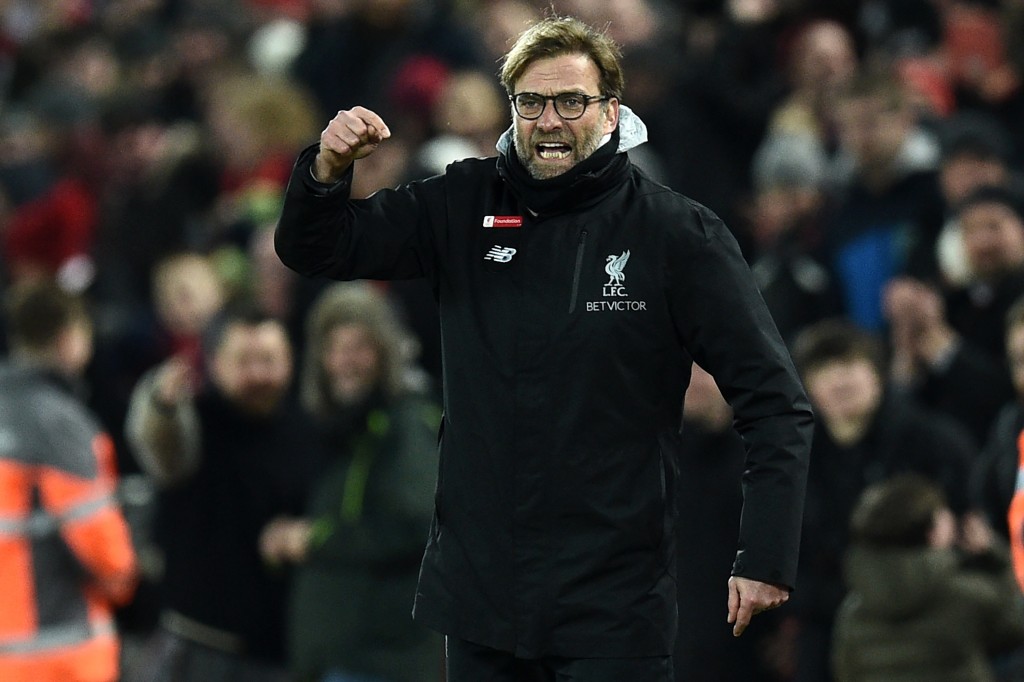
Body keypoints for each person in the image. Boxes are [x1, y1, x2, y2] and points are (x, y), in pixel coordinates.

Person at [275, 15, 813, 681]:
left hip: (612, 607)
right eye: (531, 102)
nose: (549, 120)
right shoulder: (463, 204)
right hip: (479, 603)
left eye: (571, 102)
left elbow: (776, 404)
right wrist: (325, 172)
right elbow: (316, 247)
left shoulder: (677, 233)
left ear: (612, 112)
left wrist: (763, 557)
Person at [122, 304, 323, 682]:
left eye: (270, 359)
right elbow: (160, 442)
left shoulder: (309, 427)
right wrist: (162, 404)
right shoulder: (196, 422)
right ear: (213, 363)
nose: (260, 374)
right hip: (198, 651)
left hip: (284, 652)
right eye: (244, 361)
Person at [260, 281, 442, 682]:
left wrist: (314, 539)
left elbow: (415, 523)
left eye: (361, 347)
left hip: (385, 661)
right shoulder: (340, 431)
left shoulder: (406, 424)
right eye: (335, 348)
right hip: (345, 657)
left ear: (385, 353)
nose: (346, 361)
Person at [789, 318, 977, 681]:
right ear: (807, 385)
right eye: (824, 369)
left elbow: (967, 530)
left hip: (924, 628)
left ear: (877, 372)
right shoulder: (793, 459)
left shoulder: (933, 443)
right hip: (825, 629)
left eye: (850, 365)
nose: (840, 380)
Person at [0, 279, 139, 682]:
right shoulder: (60, 423)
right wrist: (127, 580)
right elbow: (100, 544)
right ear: (69, 338)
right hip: (60, 655)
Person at [833, 474, 1024, 681]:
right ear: (931, 533)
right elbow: (1016, 623)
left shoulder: (852, 612)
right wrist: (995, 557)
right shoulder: (964, 596)